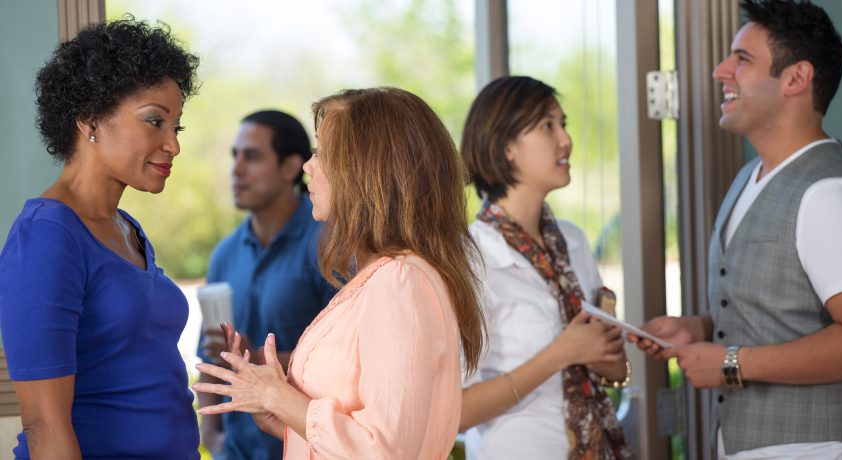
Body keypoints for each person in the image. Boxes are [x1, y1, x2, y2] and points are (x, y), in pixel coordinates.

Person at [633, 1, 842, 458]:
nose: (721, 71)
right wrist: (699, 328)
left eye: (742, 59)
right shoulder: (749, 178)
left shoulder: (831, 194)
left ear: (796, 78)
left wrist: (731, 363)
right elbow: (777, 308)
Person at [192, 87, 485, 459]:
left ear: (365, 170)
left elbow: (384, 451)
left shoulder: (398, 282)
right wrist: (282, 418)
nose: (308, 167)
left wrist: (277, 395)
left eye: (321, 152)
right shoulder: (384, 277)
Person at [0, 18, 200, 459]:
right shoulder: (46, 237)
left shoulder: (127, 229)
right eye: (155, 121)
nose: (173, 145)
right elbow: (44, 425)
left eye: (176, 127)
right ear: (89, 118)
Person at [457, 75, 632, 459]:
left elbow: (617, 373)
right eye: (547, 126)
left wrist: (606, 348)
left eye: (563, 124)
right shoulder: (472, 257)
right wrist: (560, 353)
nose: (565, 140)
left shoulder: (573, 241)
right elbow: (458, 412)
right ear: (506, 147)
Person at [197, 110, 337, 459]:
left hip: (307, 448)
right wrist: (212, 437)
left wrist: (254, 357)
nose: (237, 169)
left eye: (252, 156)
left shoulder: (330, 245)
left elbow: (345, 361)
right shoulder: (224, 254)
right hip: (234, 452)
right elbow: (210, 354)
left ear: (290, 167)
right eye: (235, 156)